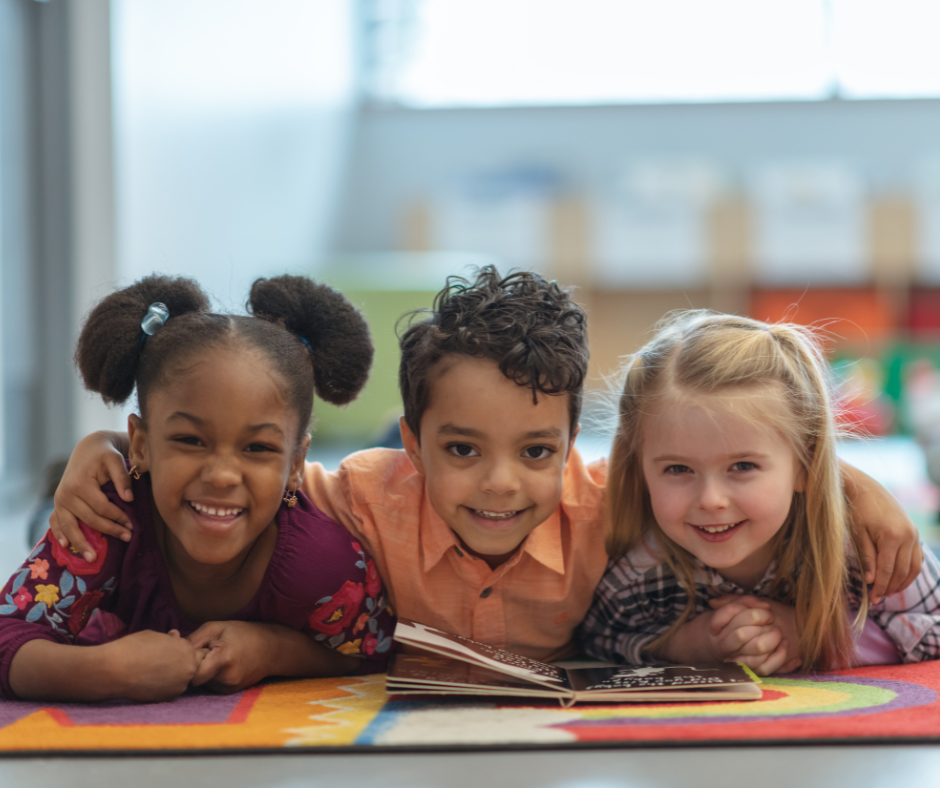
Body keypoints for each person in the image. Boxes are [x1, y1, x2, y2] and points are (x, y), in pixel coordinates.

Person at [51, 270, 922, 662]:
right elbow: (244, 474)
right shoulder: (361, 495)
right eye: (461, 450)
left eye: (537, 451)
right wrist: (95, 452)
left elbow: (733, 461)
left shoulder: (612, 509)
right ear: (411, 441)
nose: (500, 483)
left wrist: (851, 483)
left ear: (576, 447)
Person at [0, 274, 392, 702]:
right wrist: (98, 671)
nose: (222, 476)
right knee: (55, 518)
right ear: (141, 445)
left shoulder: (324, 564)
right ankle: (53, 493)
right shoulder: (106, 519)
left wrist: (273, 651)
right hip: (105, 529)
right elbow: (10, 631)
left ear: (296, 464)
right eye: (191, 440)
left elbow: (373, 648)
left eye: (258, 447)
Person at [579, 311, 940, 676]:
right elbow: (598, 638)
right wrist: (690, 644)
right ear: (640, 470)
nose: (711, 500)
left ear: (805, 464)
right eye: (678, 469)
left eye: (742, 467)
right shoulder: (641, 568)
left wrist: (817, 637)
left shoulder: (865, 549)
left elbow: (935, 624)